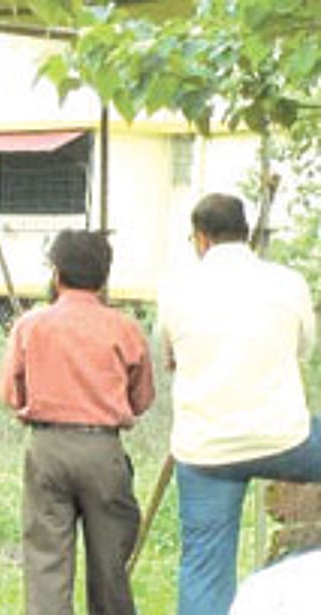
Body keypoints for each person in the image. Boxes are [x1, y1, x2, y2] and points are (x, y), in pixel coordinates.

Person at [158, 193, 321, 615]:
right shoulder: (289, 282)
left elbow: (171, 357)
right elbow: (303, 348)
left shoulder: (176, 289)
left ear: (200, 239)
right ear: (246, 234)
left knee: (204, 567)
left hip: (206, 450)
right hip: (284, 438)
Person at [0, 229, 155, 615]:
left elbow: (10, 394)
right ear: (104, 277)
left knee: (46, 563)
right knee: (110, 565)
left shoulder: (31, 325)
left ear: (56, 274)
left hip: (47, 448)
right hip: (103, 449)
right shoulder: (125, 328)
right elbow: (142, 399)